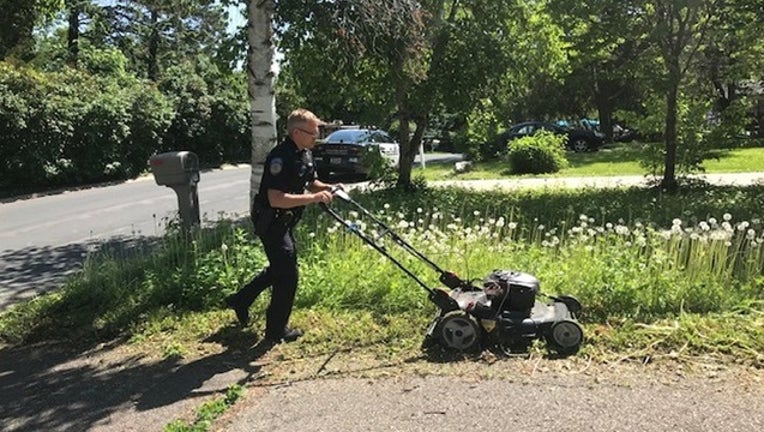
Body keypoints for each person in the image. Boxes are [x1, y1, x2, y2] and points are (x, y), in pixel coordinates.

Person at [225, 108, 341, 343]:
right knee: (288, 275)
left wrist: (328, 188)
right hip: (270, 221)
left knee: (281, 267)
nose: (316, 137)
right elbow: (275, 199)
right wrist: (314, 198)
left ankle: (241, 299)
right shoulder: (280, 157)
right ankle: (276, 331)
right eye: (312, 133)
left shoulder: (305, 153)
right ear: (297, 132)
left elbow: (311, 181)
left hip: (286, 221)